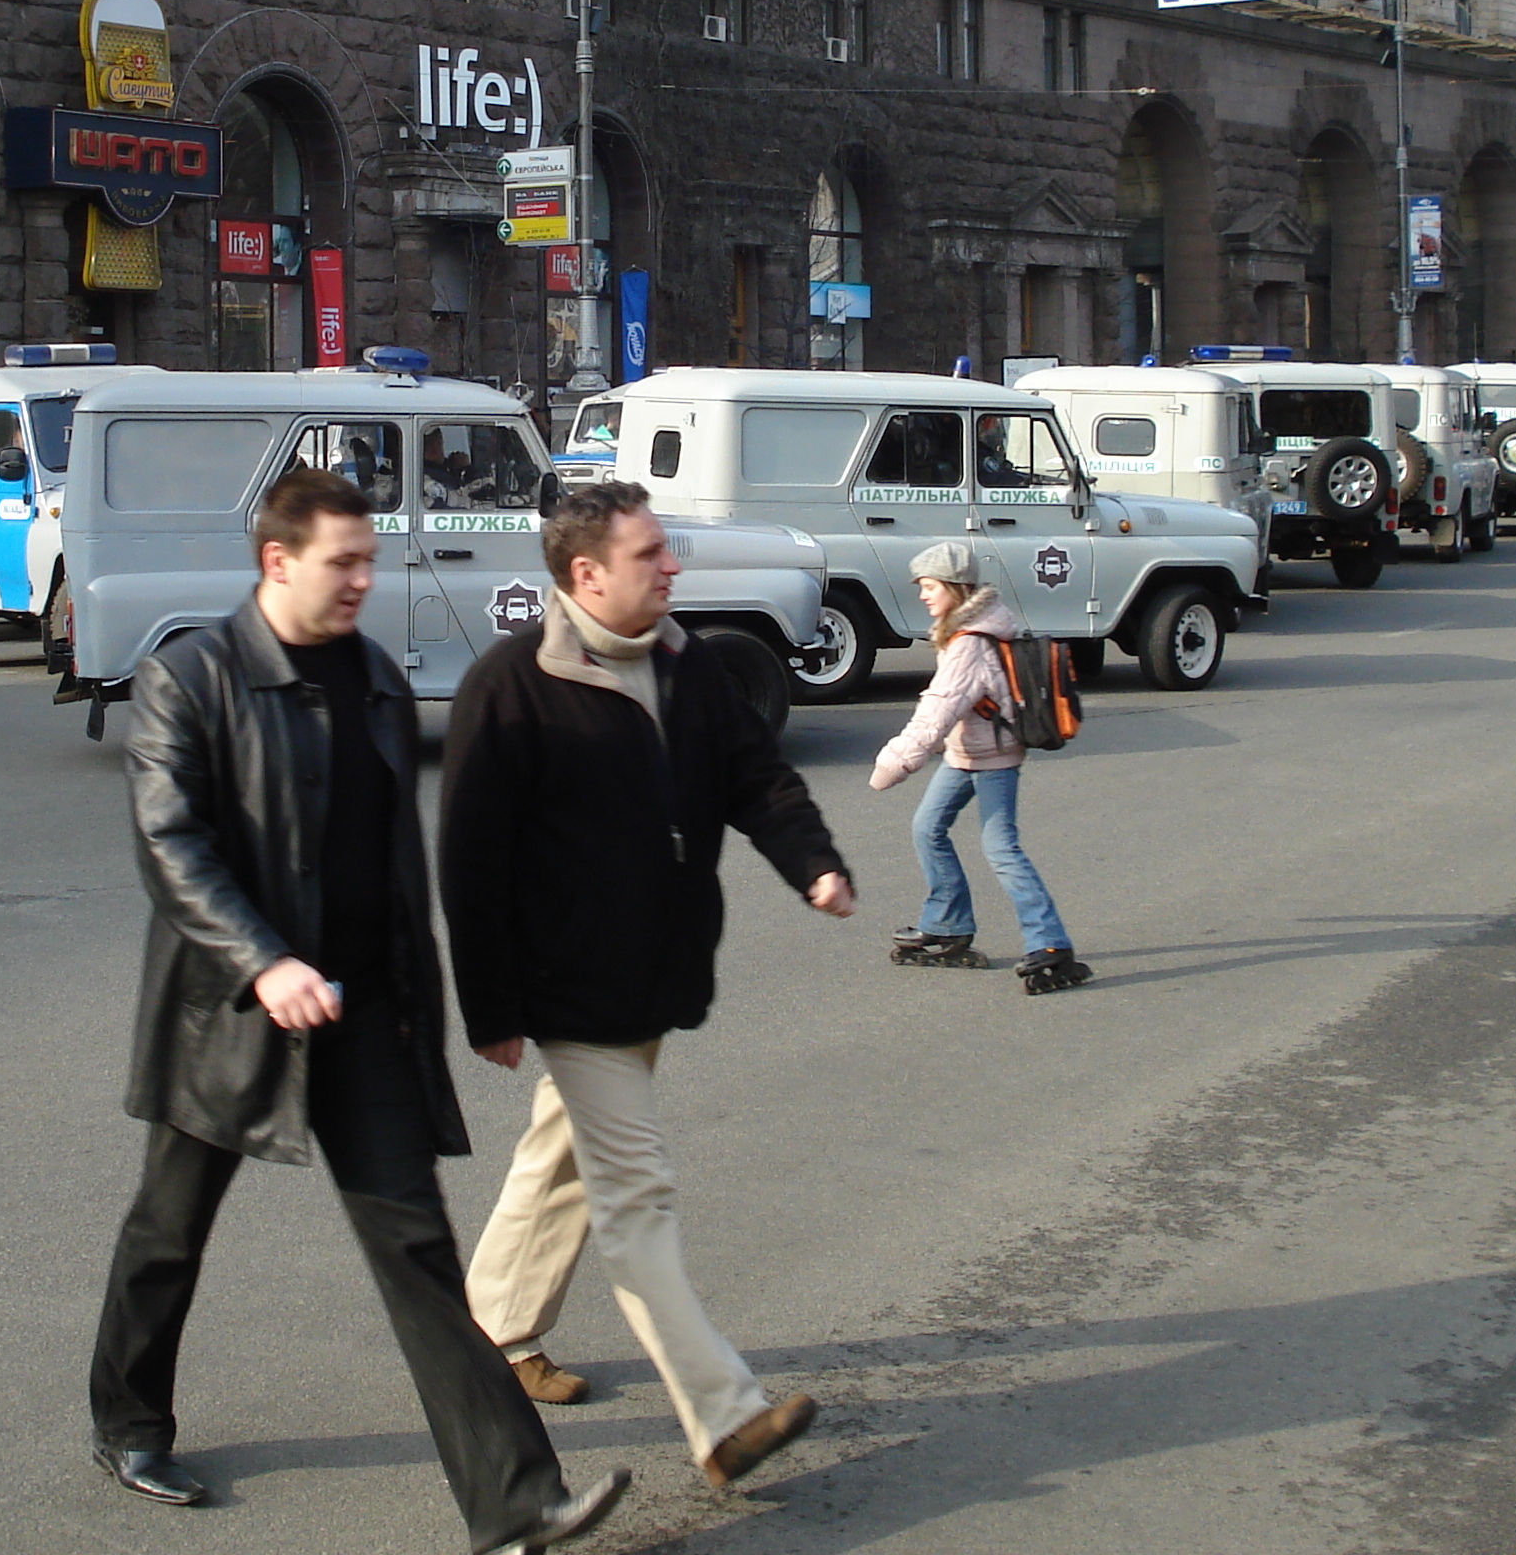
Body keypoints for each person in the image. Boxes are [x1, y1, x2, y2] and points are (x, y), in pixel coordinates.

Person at [86, 468, 627, 1555]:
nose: (364, 582)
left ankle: (517, 1505)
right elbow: (170, 843)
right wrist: (264, 960)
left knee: (419, 1253)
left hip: (362, 1012)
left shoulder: (375, 677)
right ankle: (128, 1420)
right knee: (168, 1230)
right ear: (277, 561)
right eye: (345, 562)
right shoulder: (192, 676)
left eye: (369, 560)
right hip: (230, 1015)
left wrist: (468, 1003)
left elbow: (397, 868)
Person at [442, 482, 855, 1492]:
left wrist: (813, 862)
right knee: (637, 1192)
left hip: (654, 972)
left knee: (562, 1157)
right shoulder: (510, 684)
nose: (673, 568)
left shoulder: (690, 666)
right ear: (585, 575)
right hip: (569, 983)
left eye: (668, 551)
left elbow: (756, 778)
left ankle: (489, 1335)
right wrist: (491, 1005)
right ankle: (724, 1415)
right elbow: (470, 858)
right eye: (650, 555)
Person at [866, 540, 1091, 996]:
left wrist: (895, 761)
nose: (923, 595)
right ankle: (947, 922)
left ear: (955, 586)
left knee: (1000, 848)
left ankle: (1050, 944)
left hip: (994, 759)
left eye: (929, 586)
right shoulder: (966, 629)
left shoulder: (970, 642)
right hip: (964, 755)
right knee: (927, 828)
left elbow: (938, 710)